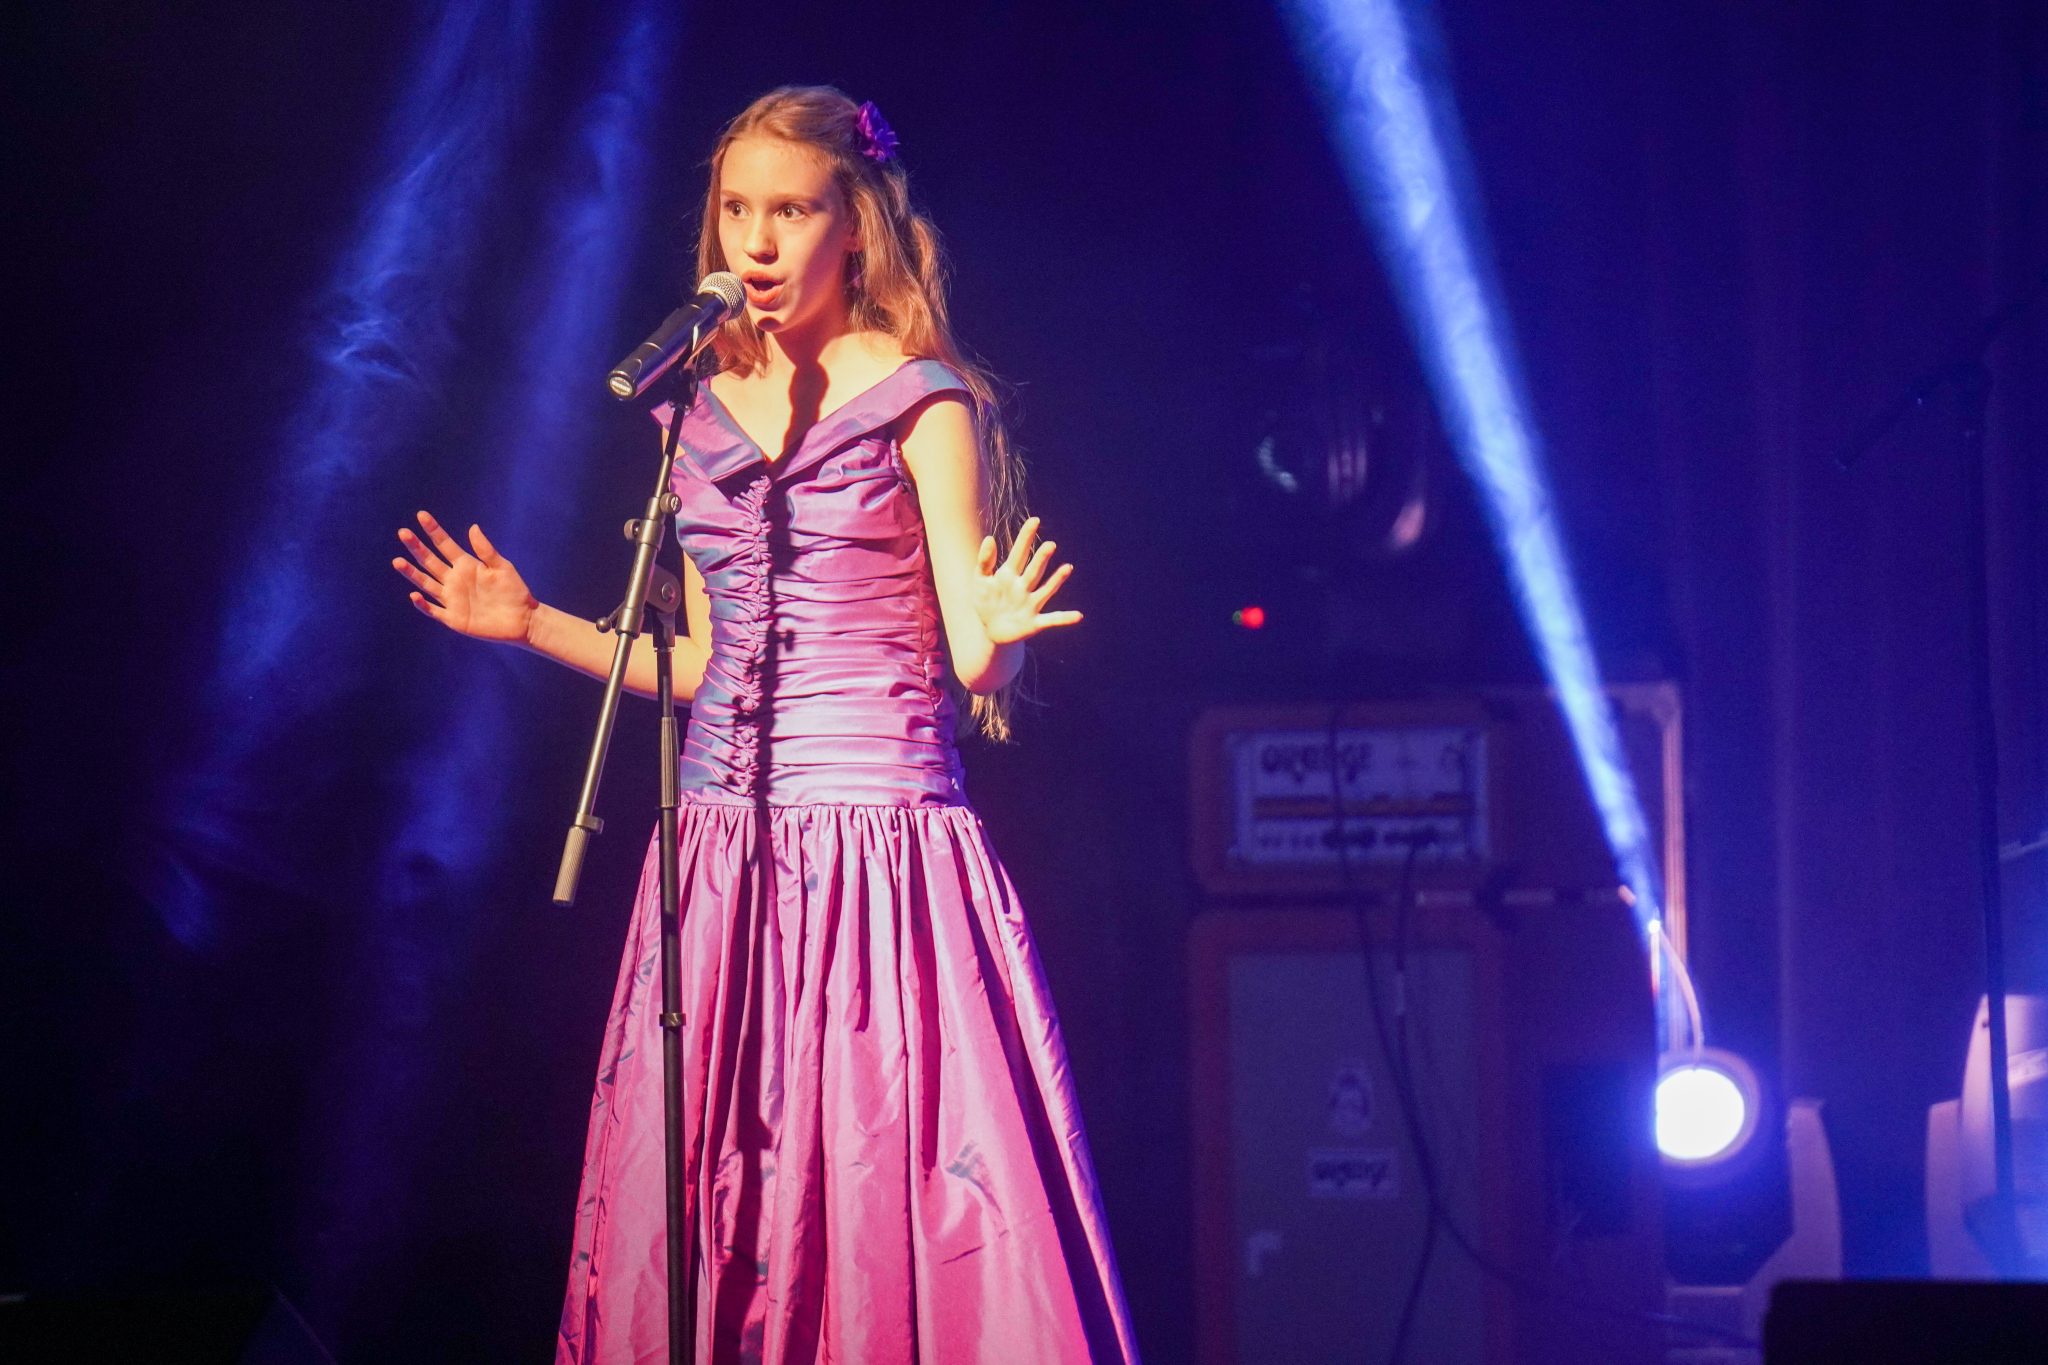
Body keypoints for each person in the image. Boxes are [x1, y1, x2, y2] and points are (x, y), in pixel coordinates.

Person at [390, 86, 1140, 1364]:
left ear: (856, 224)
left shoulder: (923, 398)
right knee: (719, 1196)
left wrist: (1004, 630)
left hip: (877, 856)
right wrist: (530, 624)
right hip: (722, 852)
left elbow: (972, 657)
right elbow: (700, 663)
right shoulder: (689, 408)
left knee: (877, 1181)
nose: (756, 239)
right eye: (736, 209)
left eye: (789, 210)